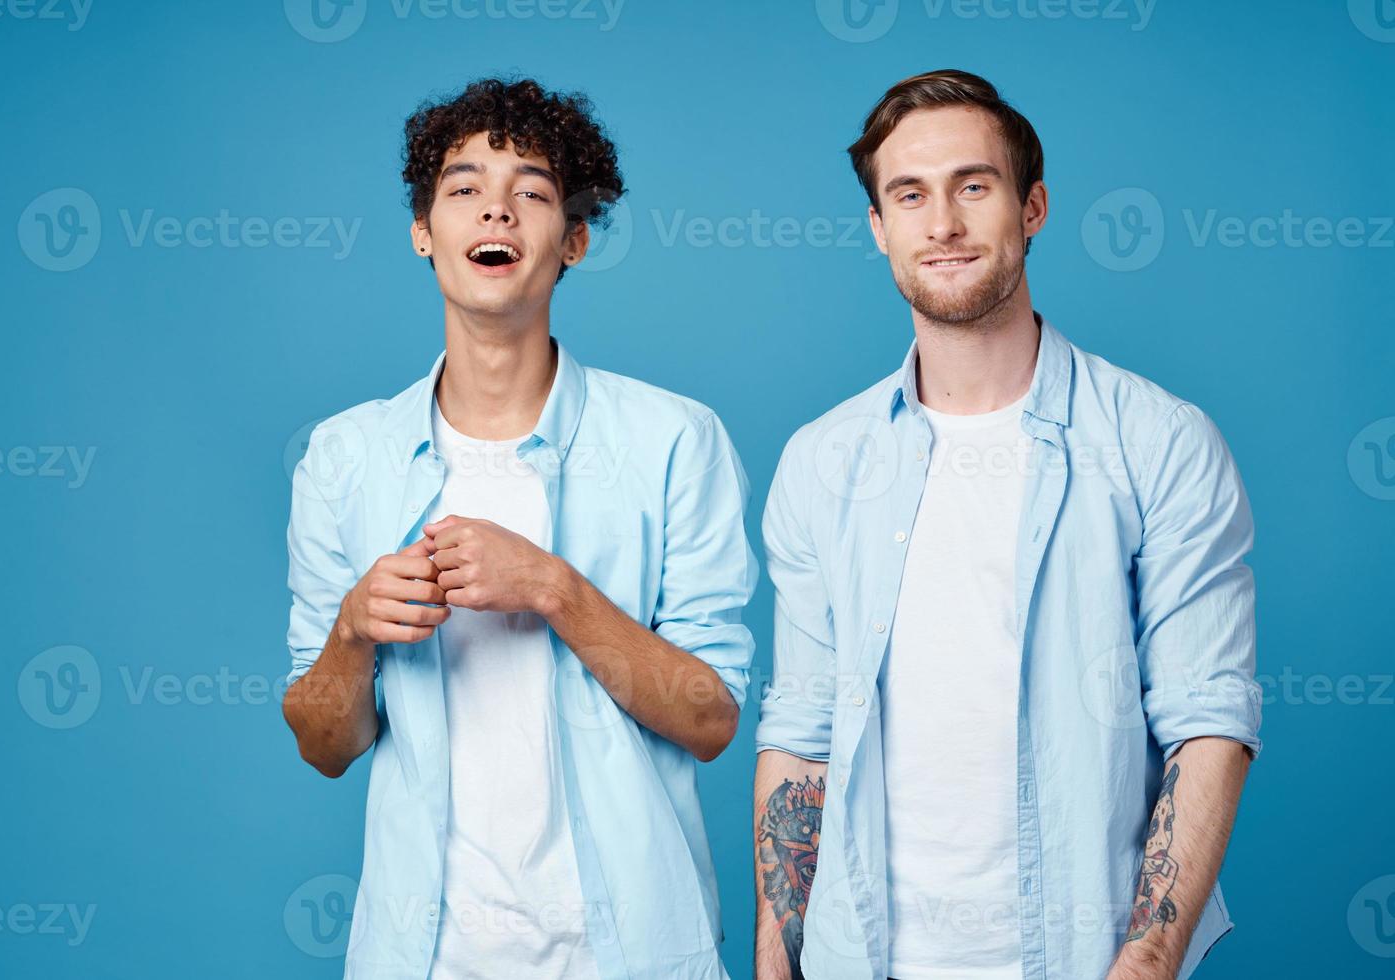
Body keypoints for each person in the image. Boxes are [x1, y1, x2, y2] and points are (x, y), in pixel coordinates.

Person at [753, 69, 1260, 980]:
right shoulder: (820, 463)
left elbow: (1206, 721)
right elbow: (802, 729)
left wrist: (1144, 963)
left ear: (1032, 207)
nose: (941, 224)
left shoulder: (1161, 442)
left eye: (972, 187)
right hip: (859, 958)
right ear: (879, 228)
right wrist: (776, 949)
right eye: (909, 196)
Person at [282, 77, 756, 980]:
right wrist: (352, 630)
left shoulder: (674, 440)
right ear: (423, 231)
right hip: (424, 957)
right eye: (463, 189)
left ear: (574, 239)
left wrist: (553, 589)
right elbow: (323, 744)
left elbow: (709, 720)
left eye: (532, 191)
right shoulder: (343, 459)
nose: (494, 209)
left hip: (632, 953)